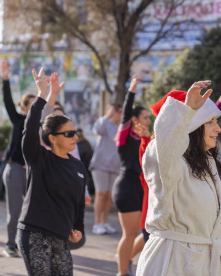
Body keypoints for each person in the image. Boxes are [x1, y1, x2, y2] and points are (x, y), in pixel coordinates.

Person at [137, 81, 221, 276]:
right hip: (172, 264)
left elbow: (216, 233)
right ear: (191, 126)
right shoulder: (165, 161)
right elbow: (166, 147)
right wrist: (186, 110)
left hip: (205, 267)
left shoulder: (206, 165)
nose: (218, 129)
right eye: (210, 122)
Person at [17, 69, 85, 275]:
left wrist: (78, 228)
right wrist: (42, 95)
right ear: (53, 138)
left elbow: (79, 204)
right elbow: (30, 130)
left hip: (61, 237)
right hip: (34, 233)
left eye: (75, 132)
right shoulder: (38, 158)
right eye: (69, 133)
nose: (75, 137)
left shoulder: (78, 166)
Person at [112, 74, 149, 276]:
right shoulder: (124, 135)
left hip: (143, 189)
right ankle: (122, 271)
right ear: (134, 119)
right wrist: (132, 89)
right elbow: (125, 114)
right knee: (130, 234)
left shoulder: (146, 137)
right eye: (145, 117)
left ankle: (125, 260)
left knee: (148, 232)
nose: (148, 120)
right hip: (126, 187)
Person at [1, 60, 36, 258]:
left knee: (31, 211)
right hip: (14, 169)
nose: (32, 106)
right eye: (28, 103)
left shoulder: (40, 126)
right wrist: (5, 80)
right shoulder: (18, 119)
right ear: (23, 107)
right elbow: (7, 101)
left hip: (32, 172)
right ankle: (10, 244)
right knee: (15, 211)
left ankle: (28, 244)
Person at [89, 103, 122, 235]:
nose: (119, 114)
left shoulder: (121, 127)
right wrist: (107, 115)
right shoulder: (103, 123)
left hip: (115, 165)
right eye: (116, 111)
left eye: (120, 111)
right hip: (100, 164)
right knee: (101, 194)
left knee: (109, 196)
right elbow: (97, 130)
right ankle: (97, 224)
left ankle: (104, 222)